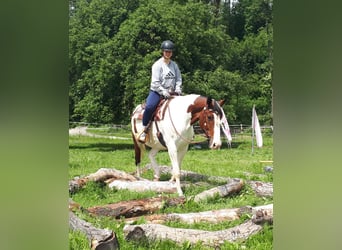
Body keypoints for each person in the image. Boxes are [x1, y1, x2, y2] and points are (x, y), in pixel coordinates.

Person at [139, 40, 182, 142]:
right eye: (166, 51)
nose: (168, 53)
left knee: (186, 108)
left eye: (170, 52)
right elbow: (155, 83)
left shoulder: (174, 65)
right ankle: (144, 129)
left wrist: (178, 89)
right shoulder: (157, 65)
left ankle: (187, 132)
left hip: (172, 92)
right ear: (162, 52)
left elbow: (179, 79)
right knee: (150, 107)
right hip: (157, 92)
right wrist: (163, 92)